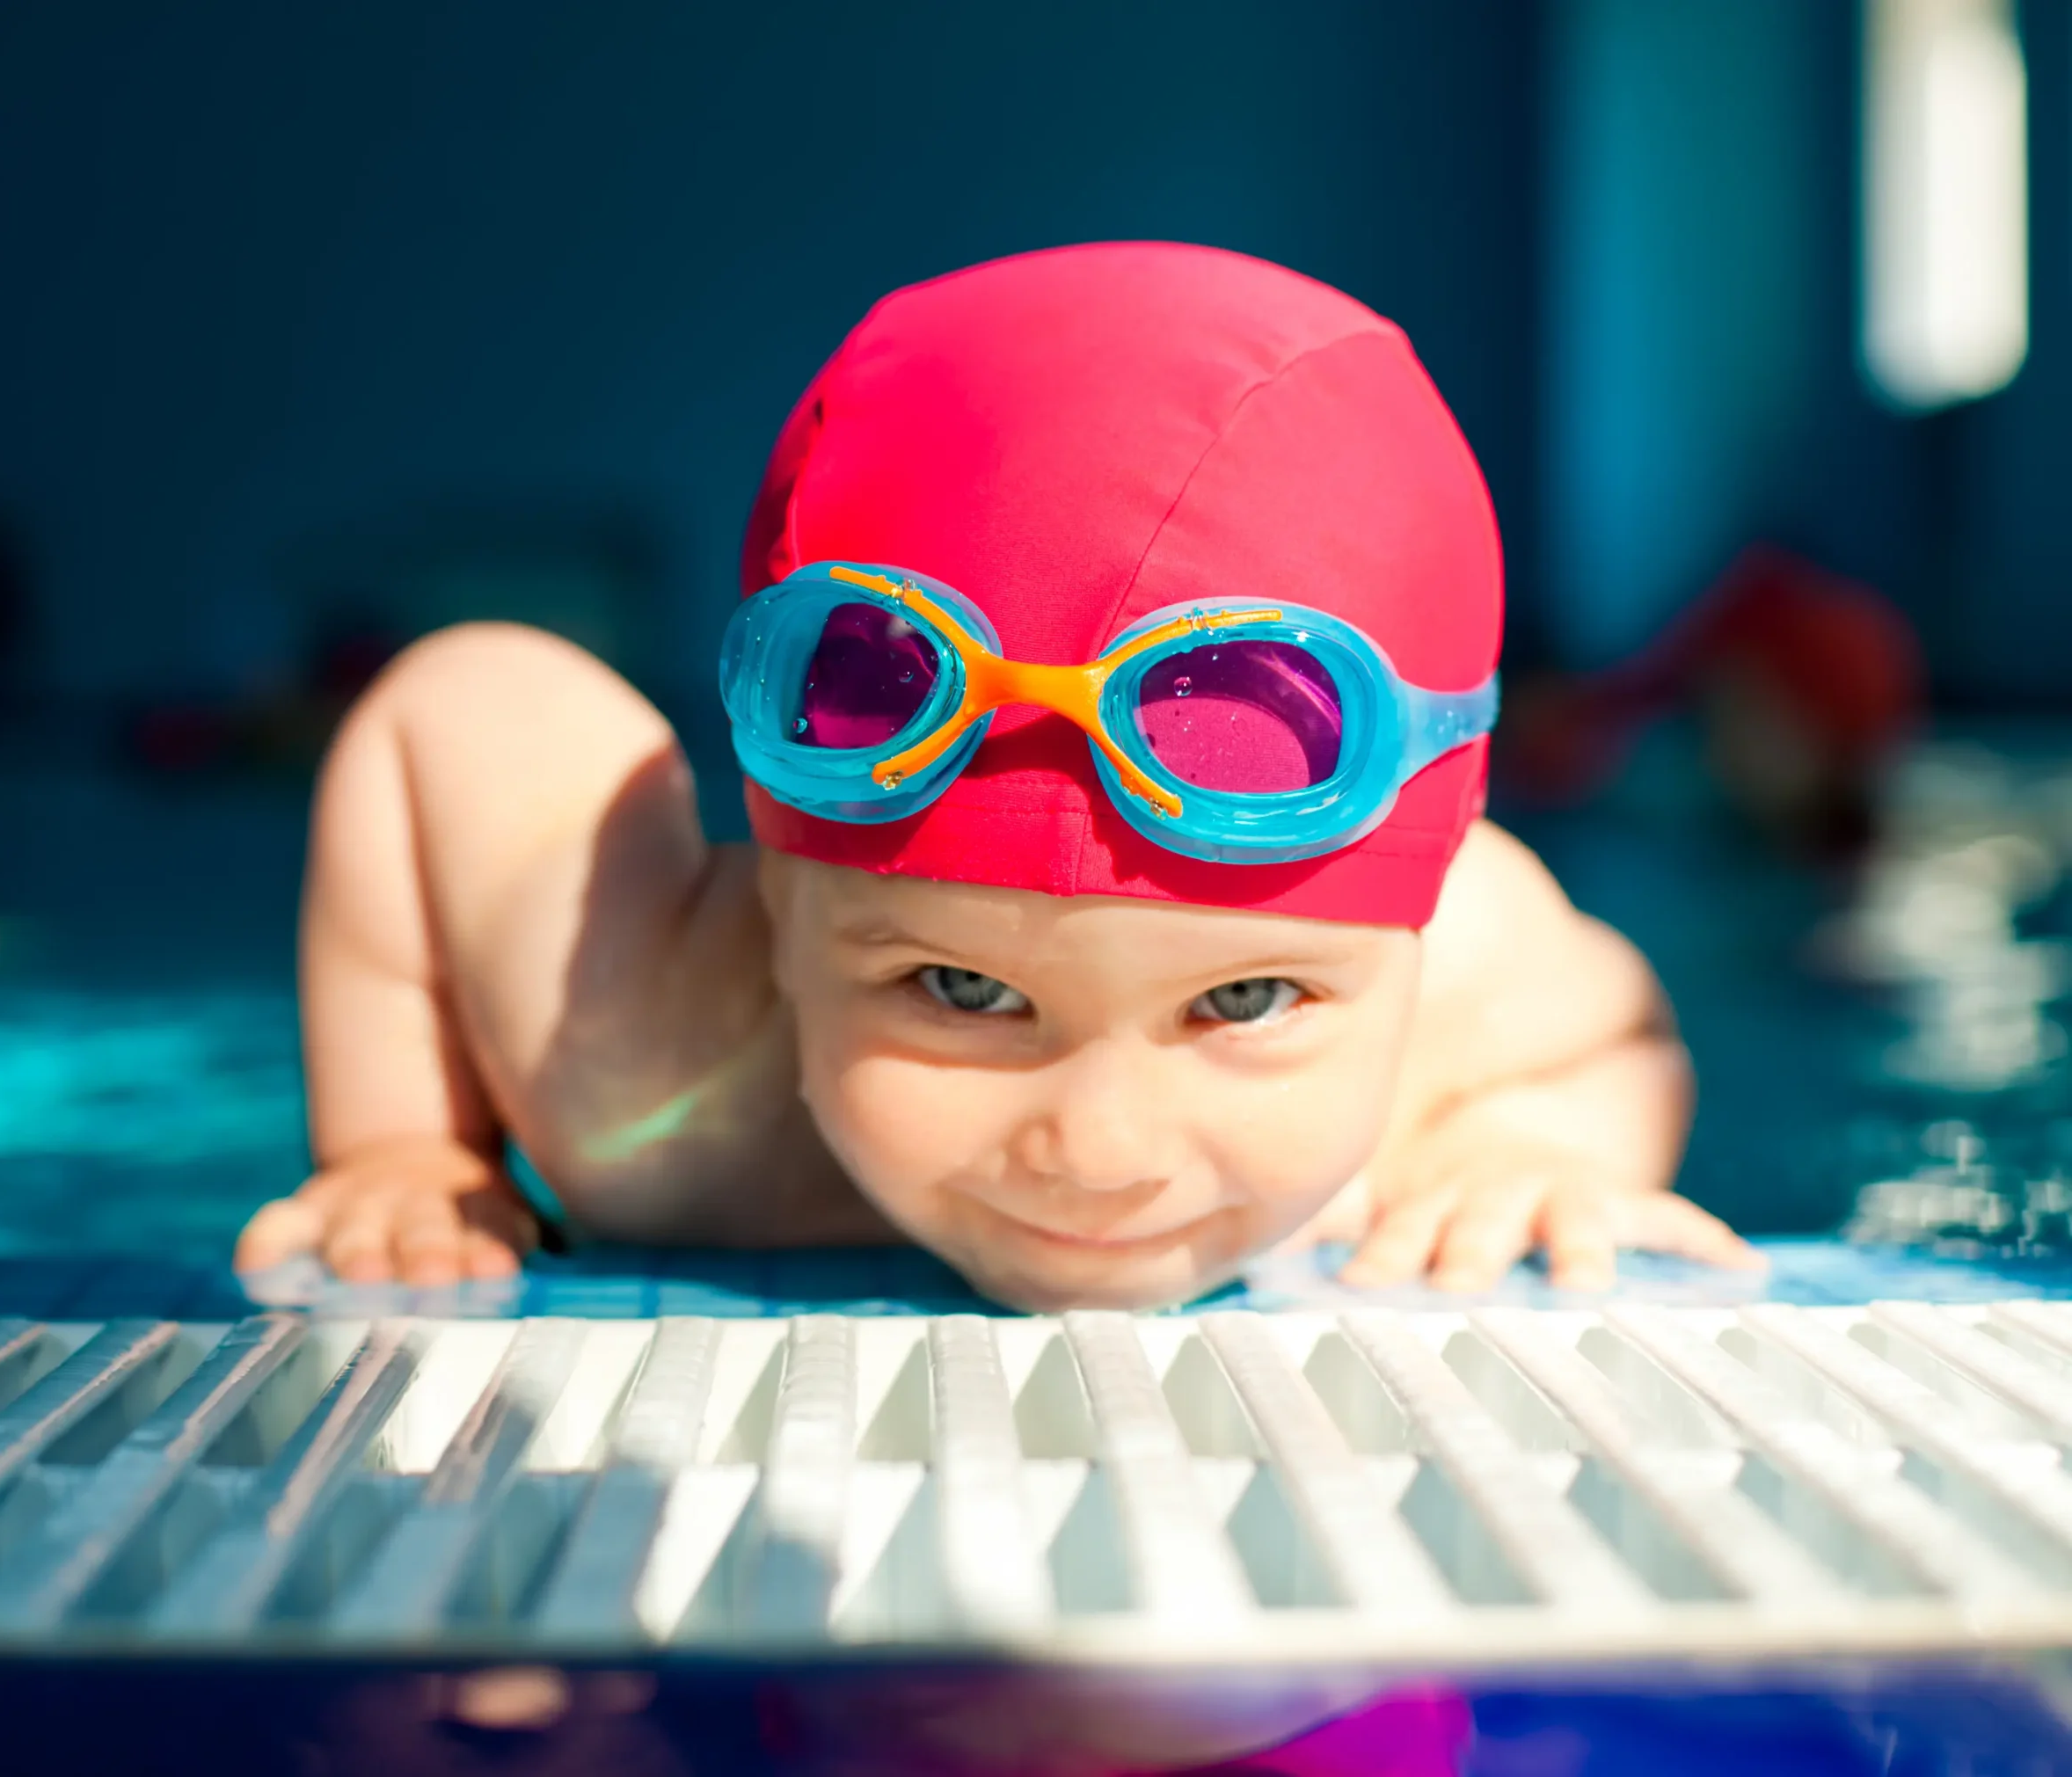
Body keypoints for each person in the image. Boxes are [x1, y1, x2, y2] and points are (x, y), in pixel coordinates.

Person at [235, 243, 1757, 1306]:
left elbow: (1618, 1043)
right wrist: (411, 1147)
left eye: (1242, 1002)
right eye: (961, 991)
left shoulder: (1468, 953)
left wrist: (1529, 1148)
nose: (1099, 1157)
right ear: (784, 900)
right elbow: (454, 705)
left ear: (1404, 938)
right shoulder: (636, 1060)